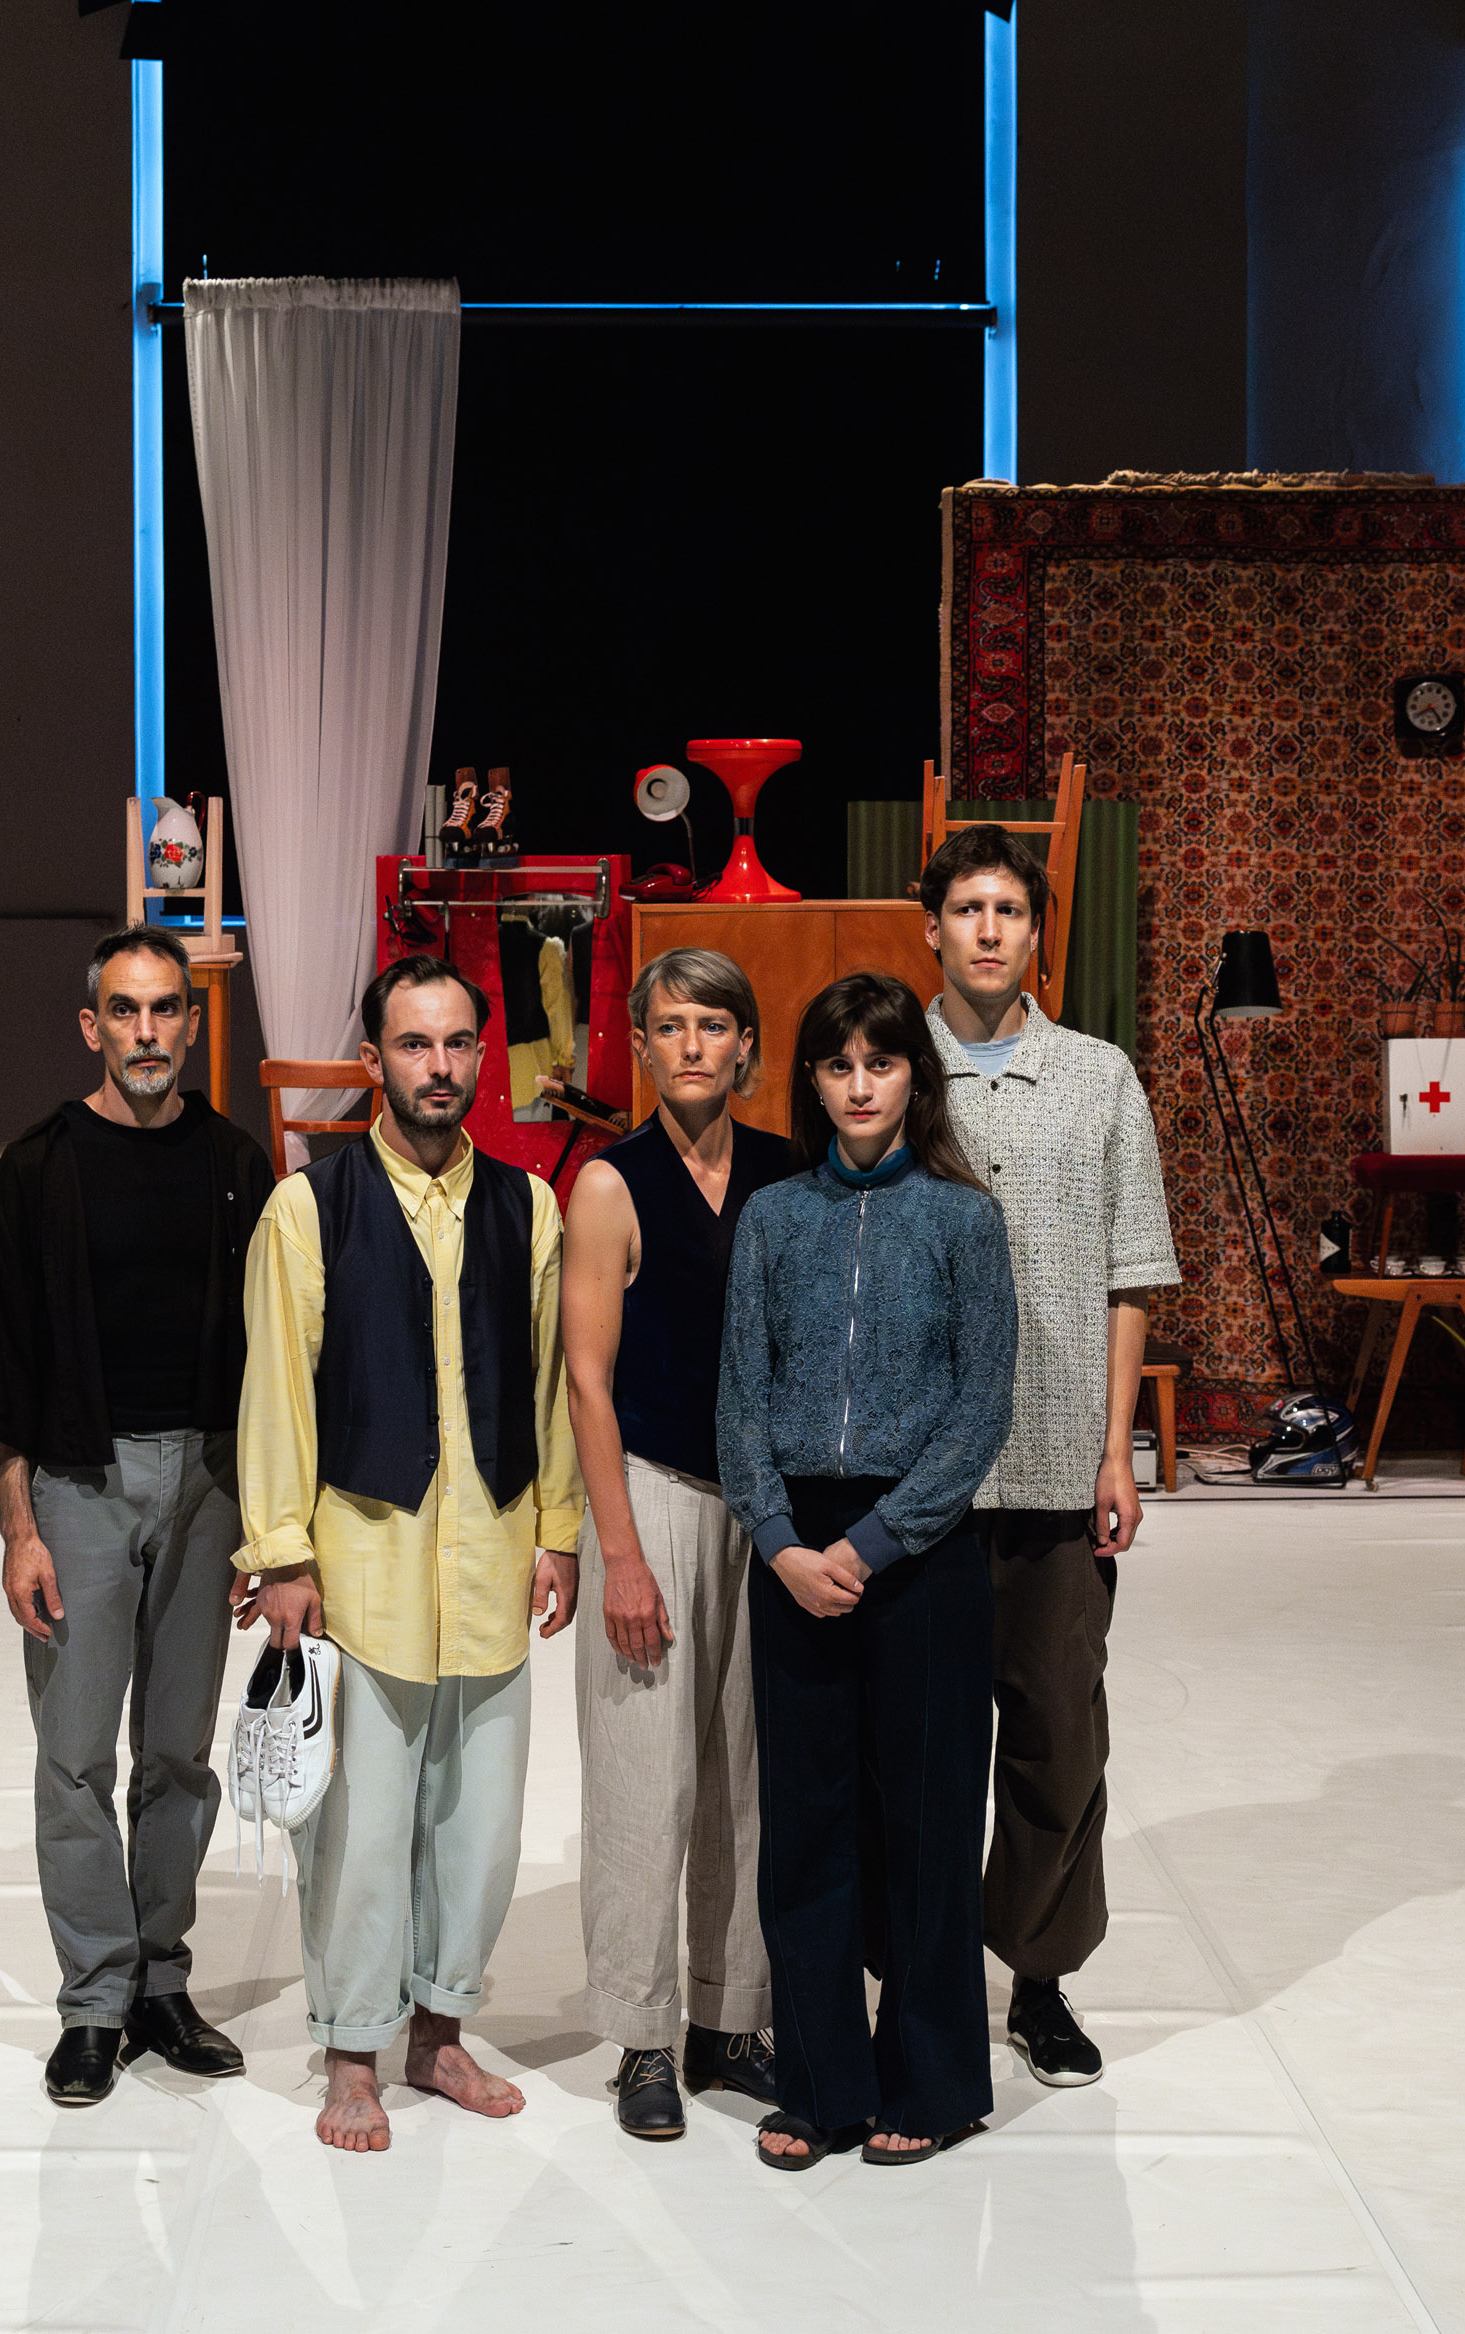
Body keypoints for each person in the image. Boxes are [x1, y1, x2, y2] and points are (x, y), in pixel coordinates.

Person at [233, 952, 582, 2154]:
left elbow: (548, 1387)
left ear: (481, 1056)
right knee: (359, 1833)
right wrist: (281, 1555)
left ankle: (437, 2033)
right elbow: (276, 1393)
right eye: (412, 1044)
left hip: (490, 1555)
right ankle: (350, 2051)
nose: (437, 1067)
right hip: (362, 1568)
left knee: (478, 1830)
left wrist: (558, 1531)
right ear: (371, 1059)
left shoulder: (528, 1206)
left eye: (455, 1043)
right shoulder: (307, 1207)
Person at [0, 925, 274, 2110]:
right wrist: (18, 1528)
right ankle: (94, 1999)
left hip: (209, 1483)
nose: (147, 1032)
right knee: (77, 1755)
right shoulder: (39, 1166)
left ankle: (160, 1985)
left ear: (191, 1022)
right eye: (125, 1011)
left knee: (178, 1755)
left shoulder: (237, 1164)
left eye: (165, 1010)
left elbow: (275, 1357)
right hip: (79, 1484)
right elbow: (4, 1356)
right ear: (91, 1026)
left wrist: (269, 1523)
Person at [718, 970, 1017, 2168]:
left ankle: (931, 2081)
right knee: (806, 1824)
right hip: (794, 1549)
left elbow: (981, 1404)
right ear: (810, 1080)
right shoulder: (772, 1218)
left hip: (921, 1554)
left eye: (879, 1064)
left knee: (928, 1822)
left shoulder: (962, 1221)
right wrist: (780, 1541)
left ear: (913, 1079)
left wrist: (876, 1541)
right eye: (837, 1065)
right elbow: (739, 1398)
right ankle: (818, 2084)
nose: (857, 1086)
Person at [920, 823, 1179, 2088]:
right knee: (916, 1742)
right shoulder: (886, 1065)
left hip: (1058, 1459)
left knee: (1055, 1734)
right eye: (966, 908)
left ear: (1035, 932)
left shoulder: (1097, 1076)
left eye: (1008, 911)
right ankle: (912, 1973)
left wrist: (1115, 1451)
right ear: (930, 926)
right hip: (916, 1473)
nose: (987, 930)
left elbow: (1133, 1271)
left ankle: (1037, 1975)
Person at [560, 948, 796, 2140]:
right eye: (669, 1025)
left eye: (713, 1023)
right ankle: (642, 2035)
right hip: (650, 1490)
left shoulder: (787, 1172)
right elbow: (585, 1379)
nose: (692, 1044)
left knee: (745, 1776)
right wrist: (621, 1553)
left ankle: (727, 2019)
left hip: (763, 1502)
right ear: (642, 1045)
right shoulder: (611, 1183)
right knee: (642, 1776)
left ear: (745, 1043)